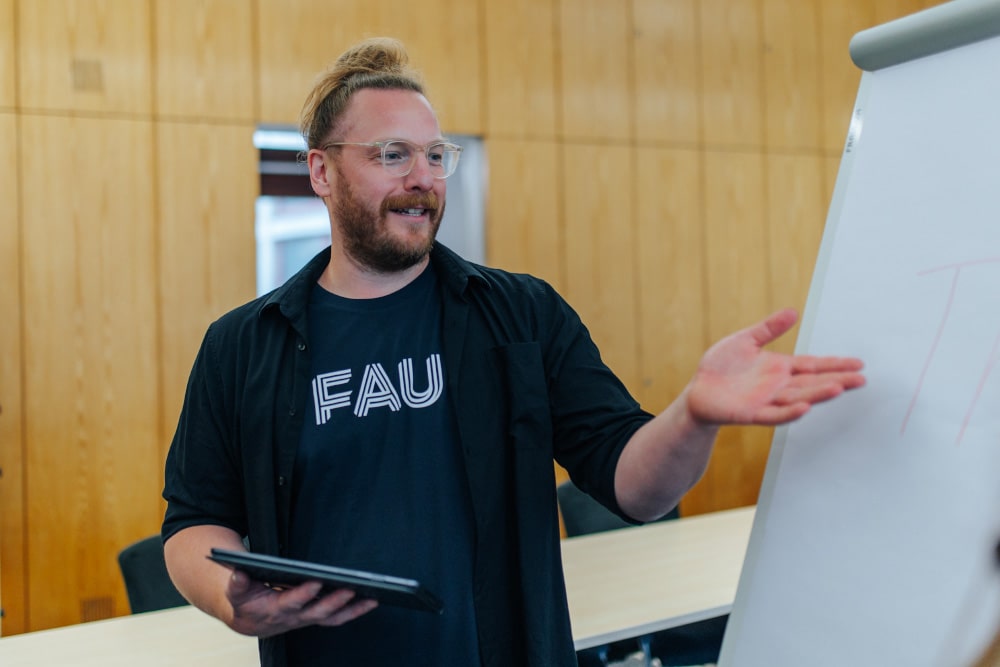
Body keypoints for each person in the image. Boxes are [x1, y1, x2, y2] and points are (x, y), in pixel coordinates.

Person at [161, 37, 866, 667]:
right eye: (391, 154)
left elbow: (635, 488)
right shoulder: (243, 346)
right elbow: (192, 522)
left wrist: (691, 416)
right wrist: (230, 597)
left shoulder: (521, 315)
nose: (422, 176)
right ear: (321, 173)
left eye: (435, 155)